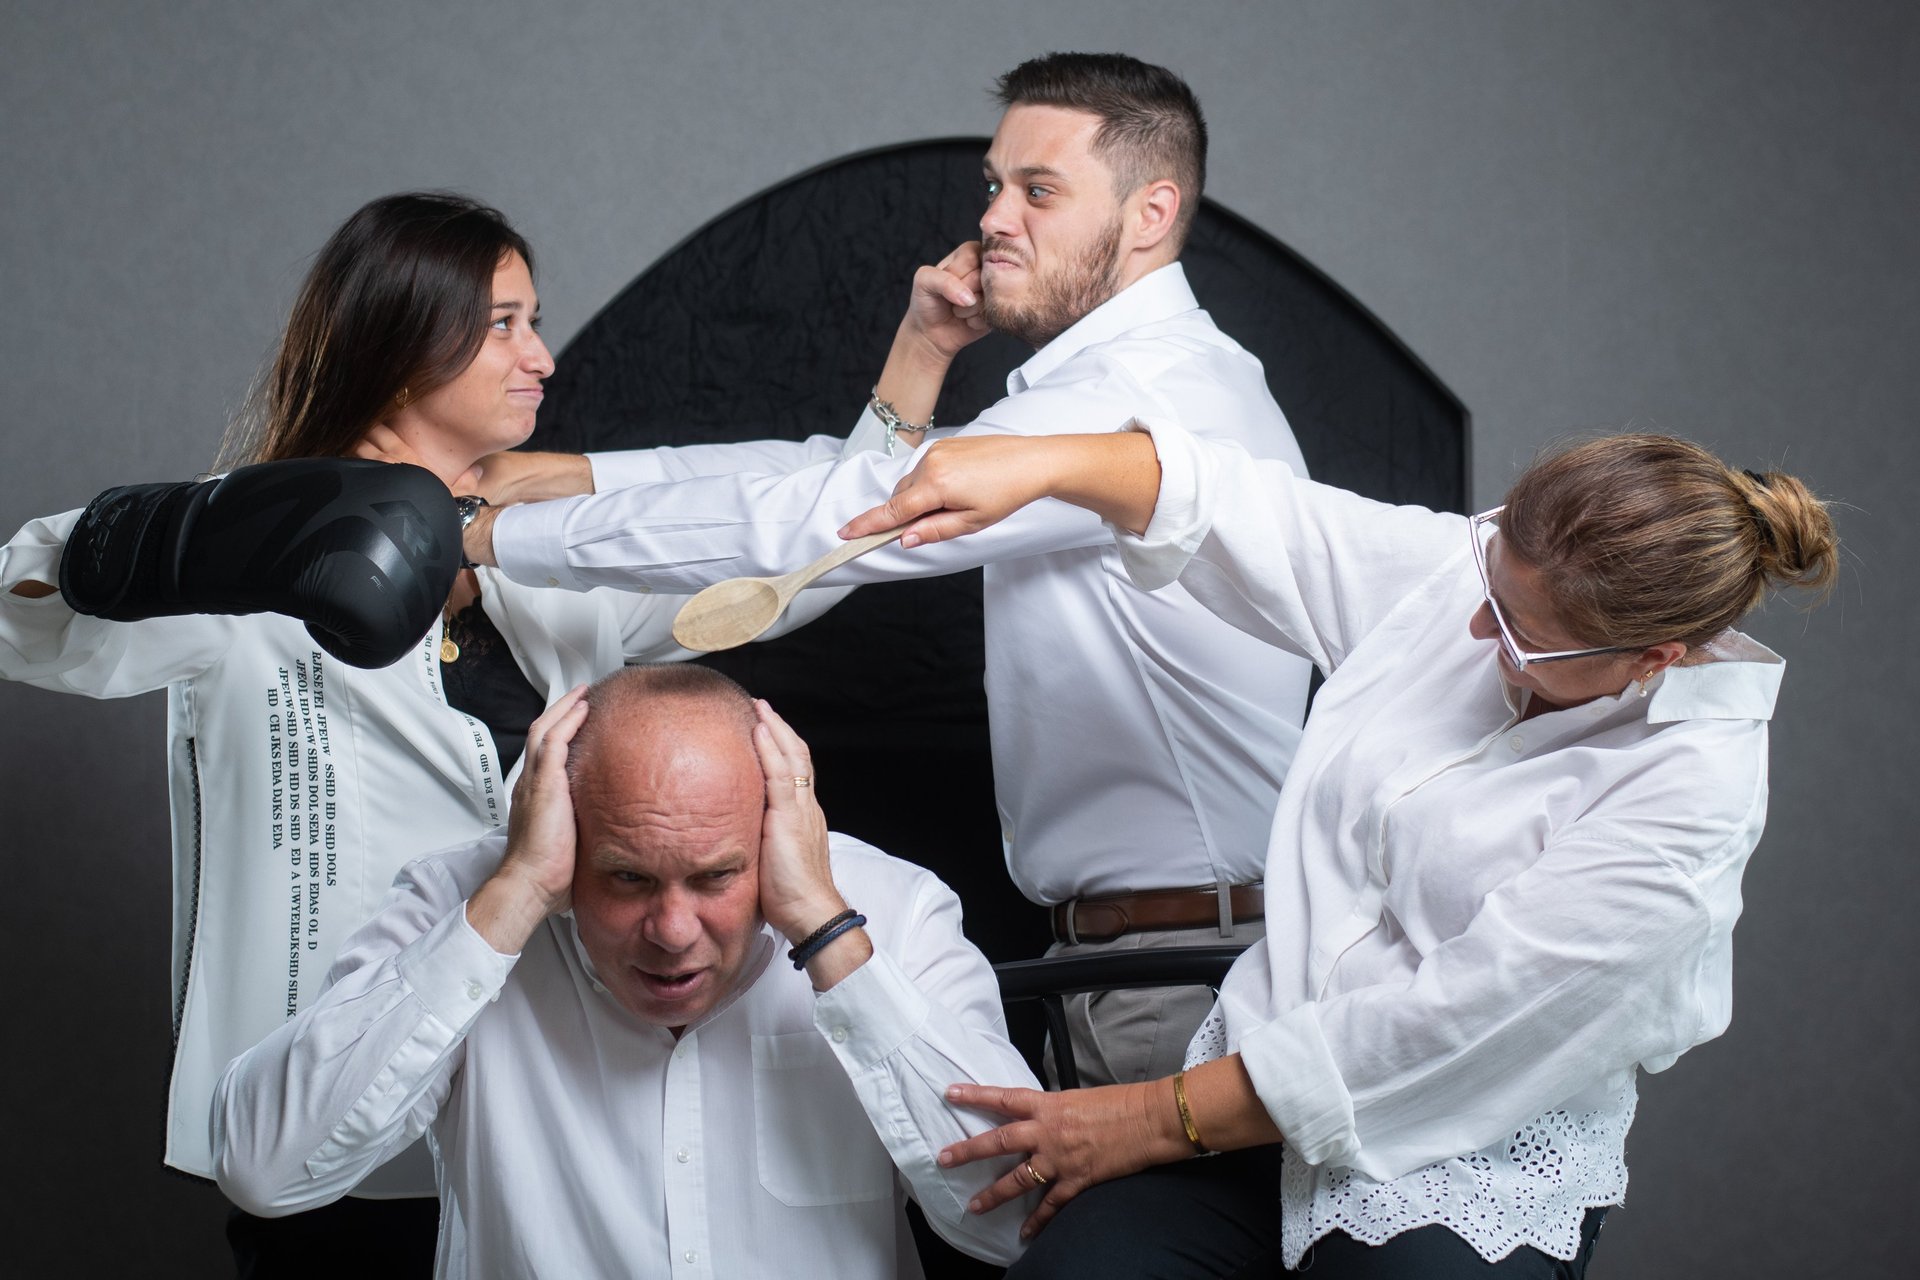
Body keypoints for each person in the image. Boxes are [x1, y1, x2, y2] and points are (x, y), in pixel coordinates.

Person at [0, 192, 873, 1274]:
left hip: (524, 1118)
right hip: (334, 1121)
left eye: (532, 318)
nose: (542, 355)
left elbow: (779, 562)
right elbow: (27, 613)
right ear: (408, 337)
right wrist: (252, 527)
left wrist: (905, 394)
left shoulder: (540, 576)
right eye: (504, 323)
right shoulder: (252, 562)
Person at [461, 52, 1314, 1087]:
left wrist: (488, 535)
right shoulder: (1130, 380)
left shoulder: (1137, 391)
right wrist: (577, 476)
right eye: (995, 186)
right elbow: (833, 474)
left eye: (1039, 191)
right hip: (1138, 957)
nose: (997, 218)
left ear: (1149, 212)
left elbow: (817, 517)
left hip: (1179, 971)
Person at [836, 420, 1840, 1276]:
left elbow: (1449, 1024)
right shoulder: (1487, 589)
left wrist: (1140, 1119)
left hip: (1462, 1143)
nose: (1479, 627)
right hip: (1244, 1105)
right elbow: (1271, 520)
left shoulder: (1689, 798)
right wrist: (1042, 463)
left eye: (1520, 630)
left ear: (1654, 657)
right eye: (1490, 586)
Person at [213, 666, 1038, 1277]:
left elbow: (1017, 1219)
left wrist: (829, 938)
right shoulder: (464, 902)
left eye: (716, 876)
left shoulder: (894, 911)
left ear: (775, 829)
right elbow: (265, 1166)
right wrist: (515, 896)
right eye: (627, 879)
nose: (673, 932)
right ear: (562, 833)